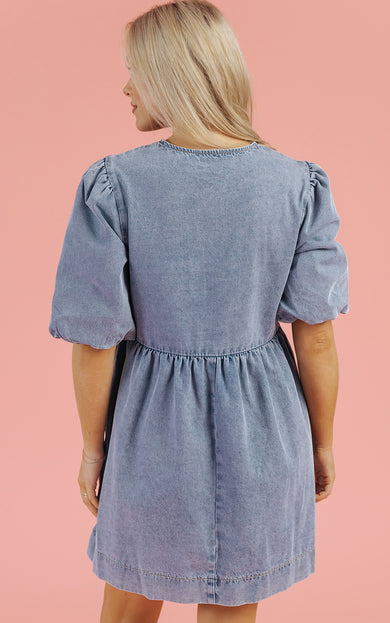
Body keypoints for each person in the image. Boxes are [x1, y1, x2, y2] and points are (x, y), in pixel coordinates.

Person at [48, 1, 349, 622]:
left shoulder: (114, 185)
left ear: (170, 77)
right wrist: (321, 442)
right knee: (231, 607)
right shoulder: (297, 185)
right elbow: (315, 337)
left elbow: (95, 341)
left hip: (149, 431)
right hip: (266, 429)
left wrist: (93, 448)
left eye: (134, 72)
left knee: (129, 602)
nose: (126, 88)